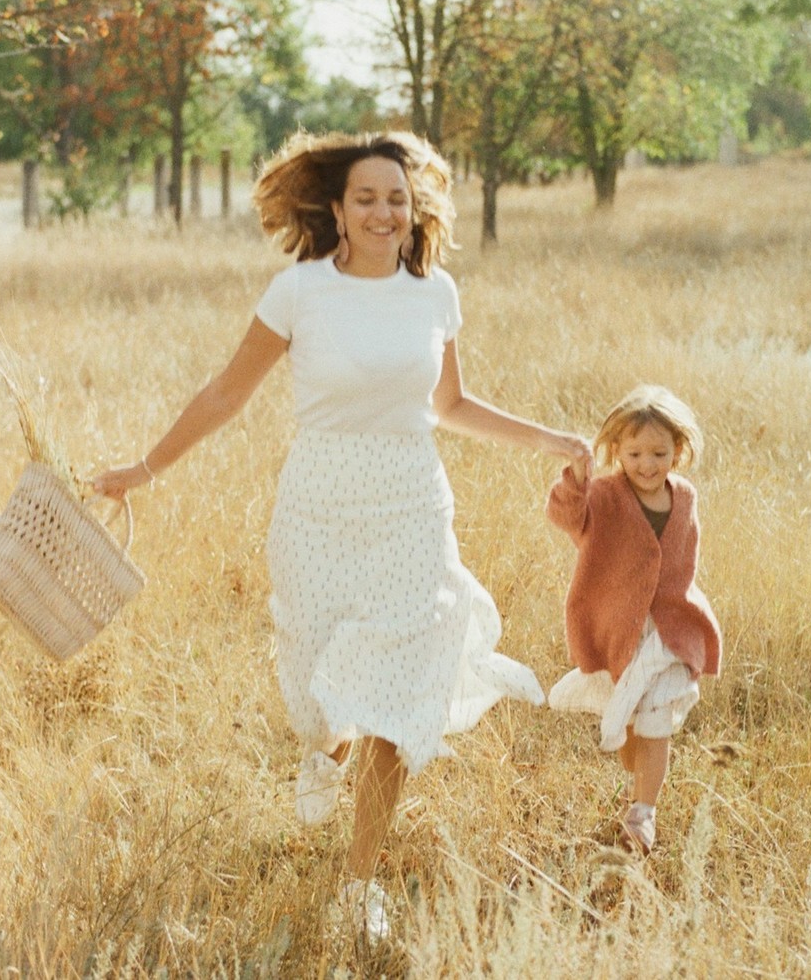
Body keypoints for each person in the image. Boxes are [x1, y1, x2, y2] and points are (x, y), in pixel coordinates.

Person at [92, 129, 592, 943]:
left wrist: (551, 439)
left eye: (396, 197)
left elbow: (451, 405)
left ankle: (359, 884)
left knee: (393, 690)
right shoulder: (299, 292)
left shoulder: (435, 294)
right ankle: (325, 746)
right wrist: (142, 469)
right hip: (317, 504)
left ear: (412, 206)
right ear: (337, 208)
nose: (383, 211)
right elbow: (225, 393)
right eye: (366, 197)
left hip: (410, 504)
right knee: (315, 691)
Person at [544, 384, 721, 855]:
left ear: (678, 452)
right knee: (627, 732)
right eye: (636, 452)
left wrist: (681, 618)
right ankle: (634, 777)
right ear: (617, 450)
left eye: (659, 453)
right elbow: (567, 518)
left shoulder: (684, 497)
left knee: (656, 717)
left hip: (667, 631)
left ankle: (644, 814)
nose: (647, 464)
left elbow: (685, 559)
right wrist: (575, 481)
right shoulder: (604, 495)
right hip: (620, 629)